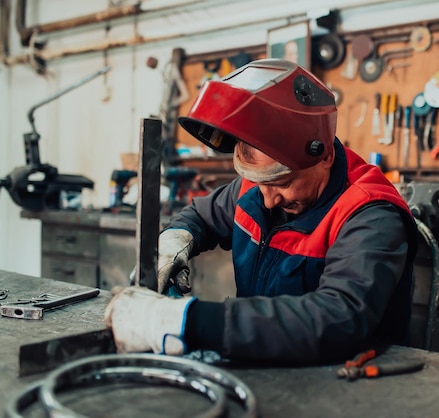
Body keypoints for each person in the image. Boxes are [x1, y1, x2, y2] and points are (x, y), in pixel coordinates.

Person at [104, 58, 419, 364]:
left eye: (282, 183)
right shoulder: (256, 188)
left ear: (323, 157)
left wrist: (184, 321)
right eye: (258, 182)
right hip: (267, 364)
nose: (267, 200)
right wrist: (175, 241)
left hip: (351, 380)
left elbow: (338, 318)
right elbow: (201, 216)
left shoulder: (370, 214)